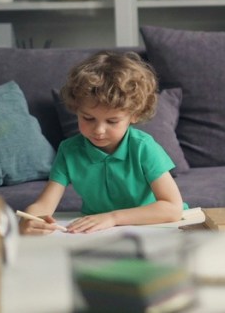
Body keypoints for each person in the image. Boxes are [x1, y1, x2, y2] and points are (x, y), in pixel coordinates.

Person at [20, 52, 185, 235]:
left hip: (152, 227)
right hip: (97, 232)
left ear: (134, 115)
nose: (98, 130)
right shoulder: (69, 151)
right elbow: (44, 205)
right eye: (88, 118)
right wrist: (30, 219)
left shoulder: (143, 148)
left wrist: (112, 218)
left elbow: (172, 208)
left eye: (112, 121)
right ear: (76, 110)